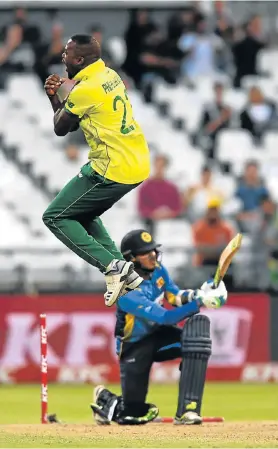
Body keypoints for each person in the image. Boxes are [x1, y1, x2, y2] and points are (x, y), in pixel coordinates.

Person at [42, 35, 150, 307]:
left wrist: (54, 98)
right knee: (82, 212)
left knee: (55, 217)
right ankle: (126, 271)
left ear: (79, 60)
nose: (63, 58)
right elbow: (74, 122)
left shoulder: (84, 90)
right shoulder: (109, 73)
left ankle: (112, 267)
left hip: (111, 168)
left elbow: (62, 128)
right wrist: (62, 99)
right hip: (135, 160)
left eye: (66, 54)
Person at [90, 229, 227, 425]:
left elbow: (175, 297)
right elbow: (166, 317)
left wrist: (200, 293)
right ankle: (106, 399)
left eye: (154, 250)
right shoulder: (125, 290)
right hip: (134, 346)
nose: (153, 255)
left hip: (158, 335)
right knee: (132, 415)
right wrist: (200, 302)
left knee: (194, 342)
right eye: (146, 252)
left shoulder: (158, 270)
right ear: (132, 259)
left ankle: (188, 410)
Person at [138, 154, 182, 236]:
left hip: (171, 225)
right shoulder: (145, 187)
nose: (159, 169)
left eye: (162, 166)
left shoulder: (172, 188)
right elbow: (141, 208)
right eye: (157, 165)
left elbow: (178, 208)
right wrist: (154, 214)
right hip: (150, 224)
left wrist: (168, 214)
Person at [192, 198, 234, 267]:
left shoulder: (226, 228)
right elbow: (199, 247)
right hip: (204, 262)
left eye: (215, 210)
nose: (213, 213)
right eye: (211, 210)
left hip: (221, 261)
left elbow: (228, 248)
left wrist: (212, 250)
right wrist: (214, 250)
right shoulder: (199, 228)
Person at [198, 82, 232, 158]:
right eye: (217, 92)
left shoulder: (229, 109)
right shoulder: (208, 110)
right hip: (212, 141)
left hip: (227, 142)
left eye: (221, 92)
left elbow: (234, 129)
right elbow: (205, 130)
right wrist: (221, 119)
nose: (219, 94)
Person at [235, 160, 269, 233]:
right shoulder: (239, 189)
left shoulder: (262, 190)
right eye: (249, 171)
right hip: (242, 217)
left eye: (254, 171)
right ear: (245, 172)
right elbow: (234, 206)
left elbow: (267, 208)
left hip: (257, 217)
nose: (251, 174)